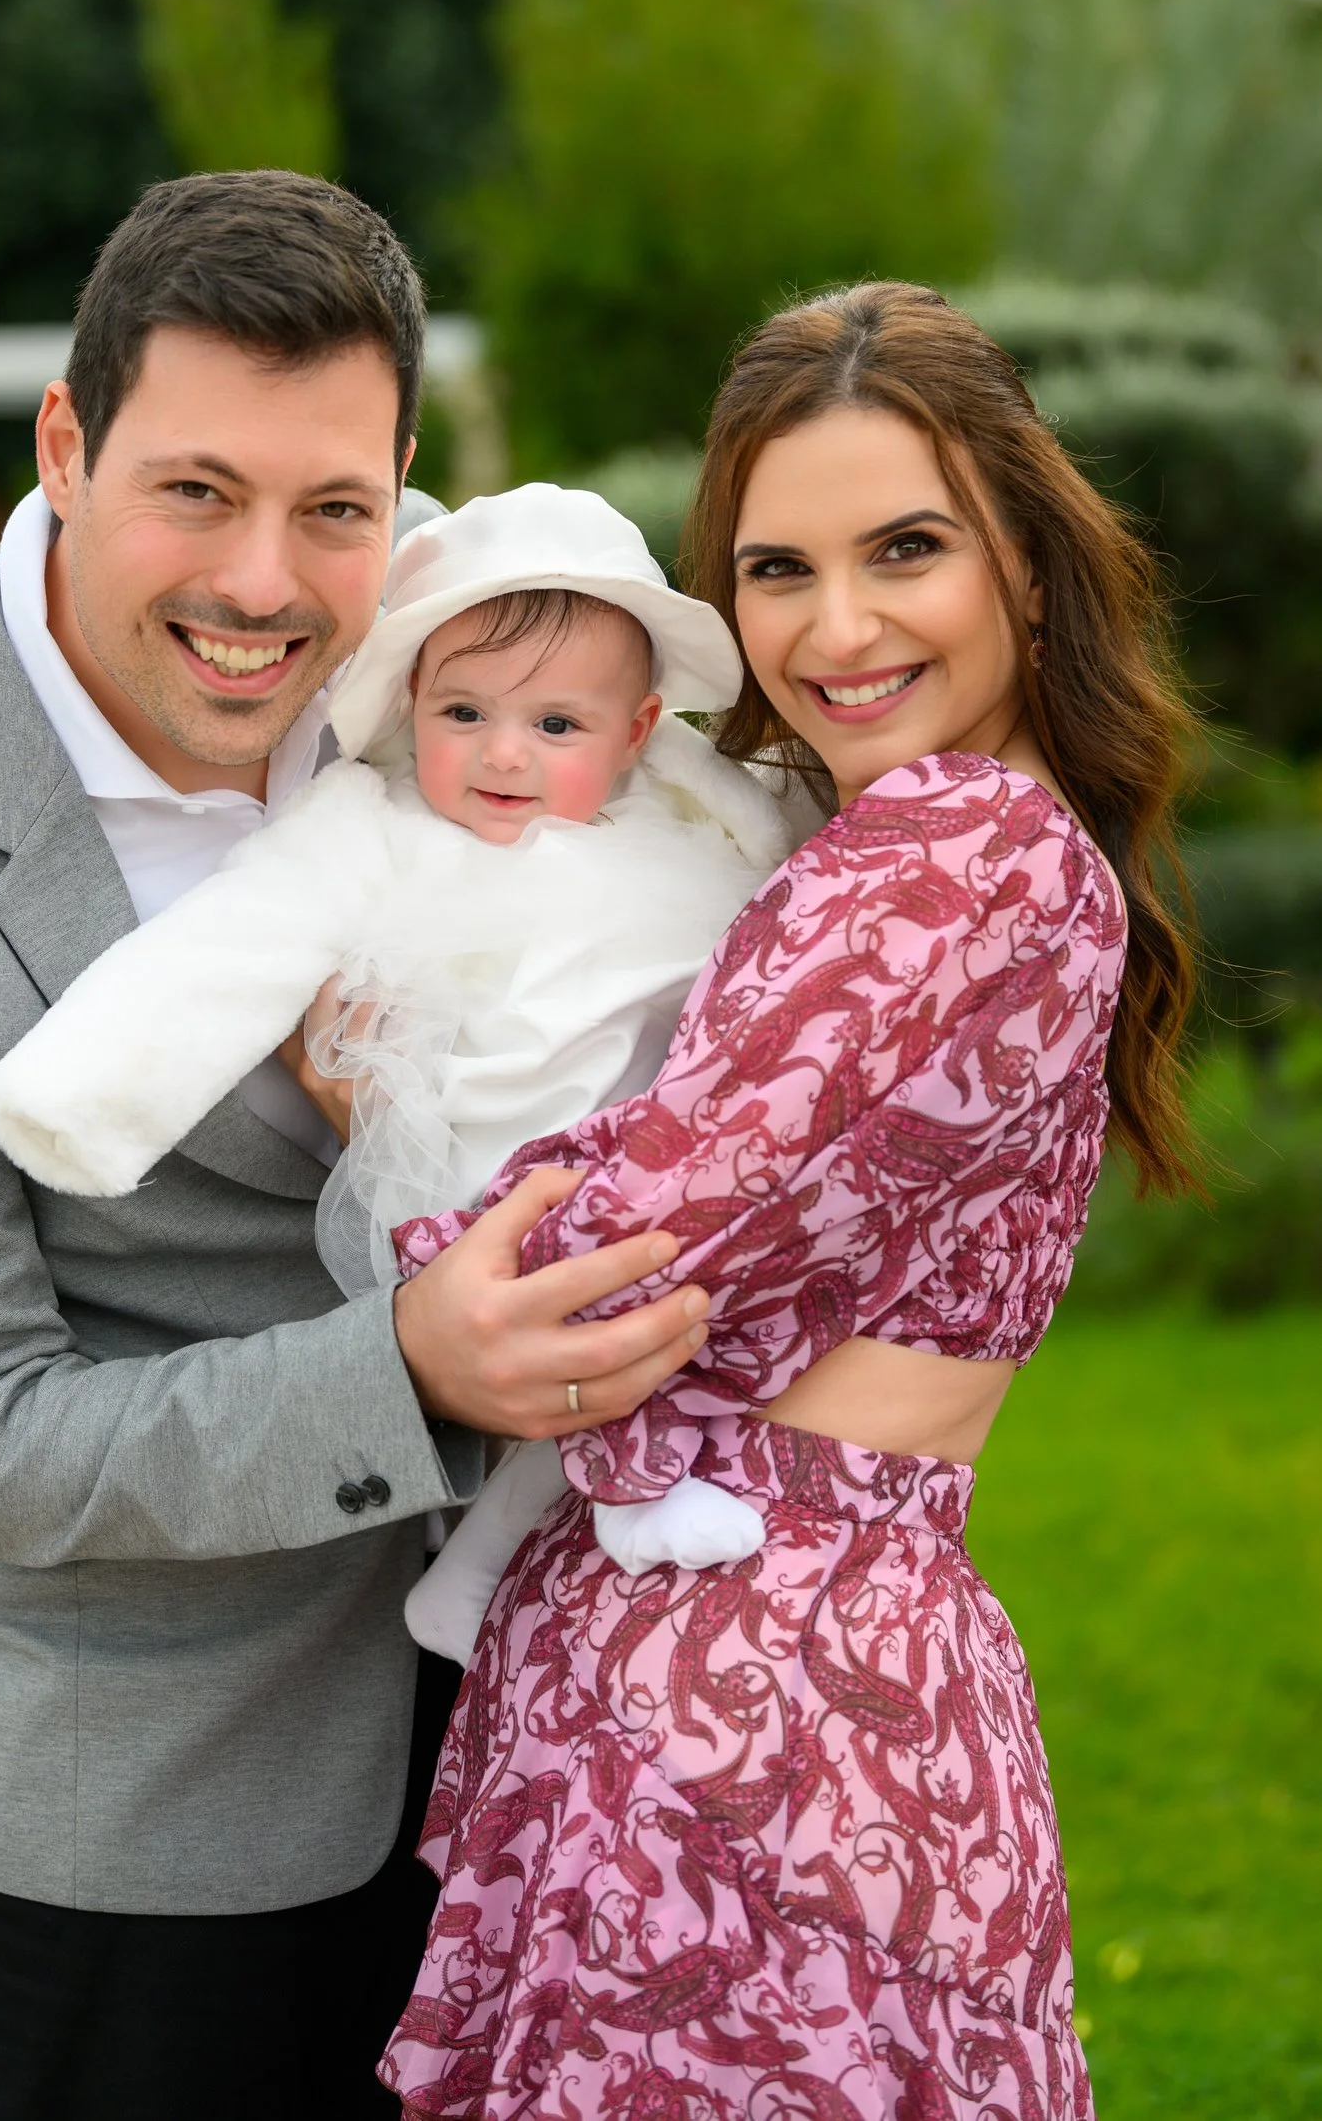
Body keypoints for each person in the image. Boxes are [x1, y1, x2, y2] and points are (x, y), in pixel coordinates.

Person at [0, 170, 709, 2121]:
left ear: (401, 475)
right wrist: (404, 1369)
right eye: (194, 490)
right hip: (161, 1848)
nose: (265, 578)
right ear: (64, 443)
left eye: (335, 504)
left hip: (565, 1754)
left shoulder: (480, 626)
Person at [380, 280, 1201, 2121]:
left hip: (763, 1708)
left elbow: (611, 1260)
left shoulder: (955, 856)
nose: (834, 629)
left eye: (904, 549)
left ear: (1028, 562)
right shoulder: (926, 842)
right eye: (773, 571)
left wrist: (390, 1145)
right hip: (823, 1660)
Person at [0, 482, 827, 1660]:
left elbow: (794, 851)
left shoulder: (678, 826)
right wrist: (82, 1094)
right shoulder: (368, 823)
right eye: (463, 709)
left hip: (652, 1182)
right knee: (570, 1327)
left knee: (692, 1309)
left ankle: (476, 1571)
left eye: (555, 727)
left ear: (638, 731)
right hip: (460, 1180)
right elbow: (231, 941)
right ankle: (593, 1507)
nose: (501, 754)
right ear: (410, 702)